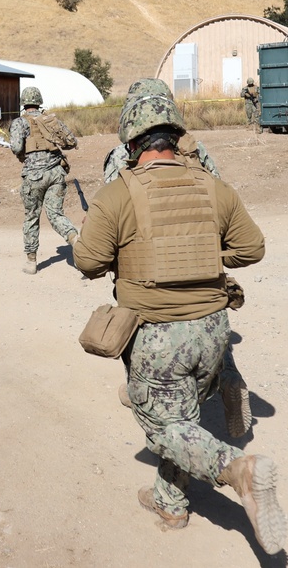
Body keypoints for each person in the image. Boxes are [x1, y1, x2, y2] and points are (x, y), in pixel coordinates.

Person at [72, 94, 286, 554]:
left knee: (165, 429)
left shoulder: (117, 193)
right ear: (176, 137)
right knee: (184, 418)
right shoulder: (214, 186)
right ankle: (170, 502)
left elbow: (88, 263)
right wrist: (208, 258)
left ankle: (239, 471)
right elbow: (252, 250)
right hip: (213, 330)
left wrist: (93, 238)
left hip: (155, 333)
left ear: (131, 142)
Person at [105, 79, 251, 439]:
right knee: (206, 312)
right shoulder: (196, 150)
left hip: (151, 273)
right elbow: (218, 193)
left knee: (136, 324)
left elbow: (113, 205)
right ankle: (229, 378)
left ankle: (143, 389)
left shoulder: (126, 153)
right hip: (203, 262)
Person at [9, 86, 80, 275]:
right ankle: (75, 240)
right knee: (56, 214)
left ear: (24, 103)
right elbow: (72, 140)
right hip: (56, 173)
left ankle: (31, 262)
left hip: (34, 176)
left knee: (32, 217)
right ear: (39, 101)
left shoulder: (20, 122)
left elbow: (16, 148)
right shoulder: (49, 119)